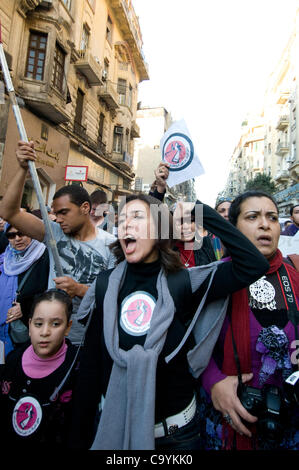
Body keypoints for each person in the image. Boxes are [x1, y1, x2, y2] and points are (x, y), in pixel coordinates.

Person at [69, 193, 269, 450]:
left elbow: (253, 265)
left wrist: (200, 211)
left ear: (161, 228)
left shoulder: (185, 282)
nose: (126, 224)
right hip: (112, 427)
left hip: (178, 438)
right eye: (123, 219)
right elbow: (90, 367)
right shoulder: (105, 285)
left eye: (138, 217)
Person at [198, 190, 299, 450]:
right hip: (226, 426)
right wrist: (213, 381)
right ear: (232, 229)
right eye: (252, 217)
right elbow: (191, 343)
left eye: (273, 218)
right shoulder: (216, 277)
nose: (265, 224)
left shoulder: (296, 272)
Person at [0, 140, 116, 345]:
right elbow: (9, 212)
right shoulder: (52, 233)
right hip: (52, 341)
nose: (58, 219)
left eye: (64, 212)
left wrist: (80, 290)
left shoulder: (111, 246)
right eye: (55, 213)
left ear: (85, 208)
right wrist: (21, 169)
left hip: (90, 340)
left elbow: (116, 296)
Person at [0, 289, 79, 448]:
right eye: (38, 324)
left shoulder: (78, 366)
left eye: (55, 324)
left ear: (68, 327)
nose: (44, 332)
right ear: (29, 325)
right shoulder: (13, 361)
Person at [0, 224, 49, 356]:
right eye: (11, 235)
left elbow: (49, 293)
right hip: (5, 329)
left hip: (27, 327)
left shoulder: (43, 257)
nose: (17, 239)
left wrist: (26, 308)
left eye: (22, 233)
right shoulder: (5, 259)